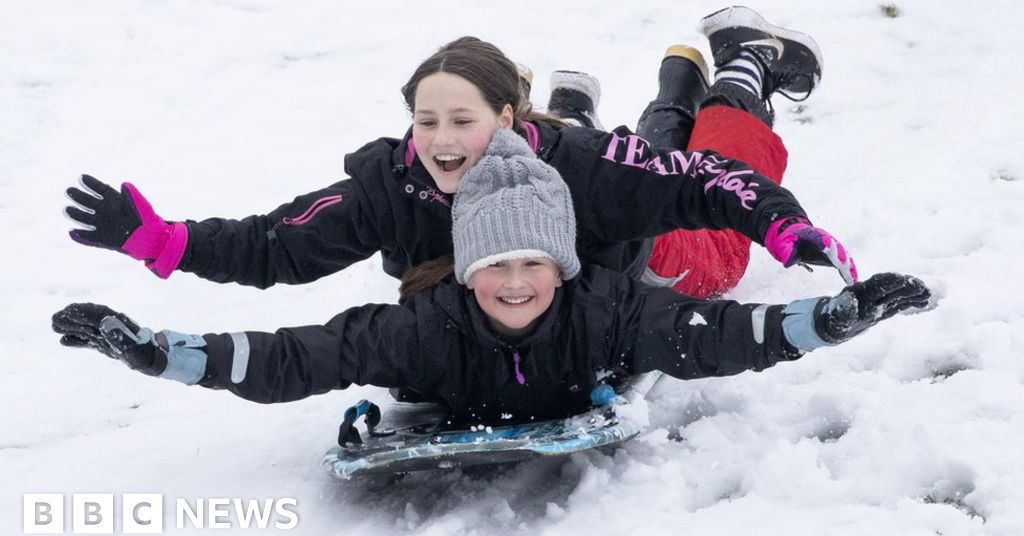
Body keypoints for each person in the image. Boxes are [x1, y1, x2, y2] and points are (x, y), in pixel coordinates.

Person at [53, 130, 928, 426]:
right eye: (494, 267)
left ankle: (714, 75)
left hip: (635, 226)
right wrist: (158, 353)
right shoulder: (423, 322)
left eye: (530, 267)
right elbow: (297, 356)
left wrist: (833, 316)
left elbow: (720, 336)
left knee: (697, 239)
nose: (513, 284)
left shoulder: (611, 307)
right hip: (573, 199)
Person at [62, 7, 855, 302]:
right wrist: (166, 241)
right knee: (634, 163)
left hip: (625, 266)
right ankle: (654, 85)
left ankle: (741, 63)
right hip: (514, 277)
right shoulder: (393, 183)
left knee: (705, 252)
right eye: (425, 120)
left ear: (508, 119)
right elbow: (281, 245)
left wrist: (781, 228)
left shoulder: (575, 168)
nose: (440, 141)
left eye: (461, 121)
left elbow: (706, 183)